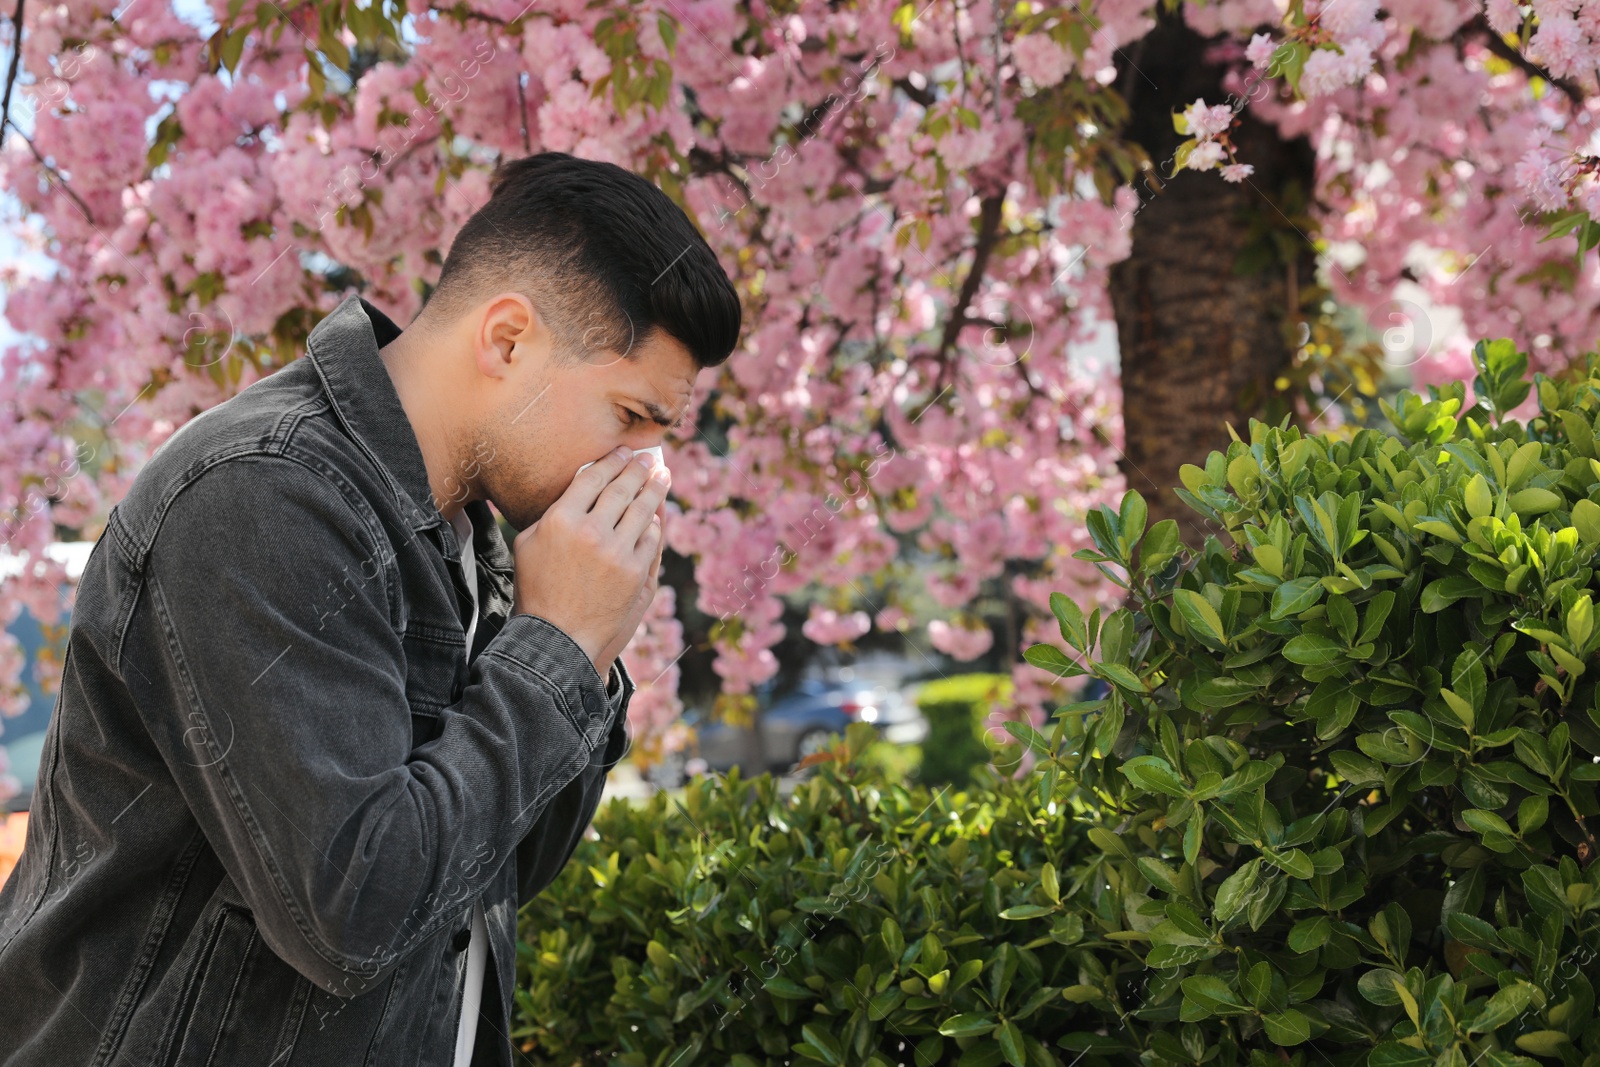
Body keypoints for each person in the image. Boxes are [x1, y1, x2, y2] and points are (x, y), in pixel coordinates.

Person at [0, 151, 741, 1067]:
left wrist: (584, 652)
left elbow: (492, 872)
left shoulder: (478, 537)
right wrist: (558, 644)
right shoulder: (264, 494)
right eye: (630, 415)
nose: (645, 469)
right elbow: (355, 914)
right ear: (508, 339)